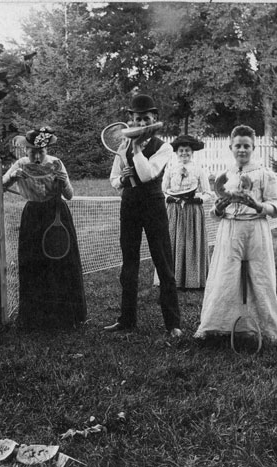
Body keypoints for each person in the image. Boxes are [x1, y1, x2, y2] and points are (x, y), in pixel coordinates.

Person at [193, 125, 277, 344]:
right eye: (238, 146)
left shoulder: (264, 175)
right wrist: (220, 207)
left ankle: (268, 331)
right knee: (225, 275)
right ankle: (216, 326)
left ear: (254, 147)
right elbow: (215, 213)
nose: (242, 150)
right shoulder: (225, 176)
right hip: (230, 230)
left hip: (255, 229)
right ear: (230, 147)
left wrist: (258, 205)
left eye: (246, 146)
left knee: (260, 277)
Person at [105, 94, 183, 337]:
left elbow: (149, 174)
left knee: (163, 262)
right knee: (129, 264)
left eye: (146, 119)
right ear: (131, 120)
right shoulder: (122, 146)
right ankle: (126, 320)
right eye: (137, 119)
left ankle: (173, 325)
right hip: (129, 206)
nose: (141, 123)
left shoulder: (164, 147)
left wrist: (137, 151)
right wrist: (122, 178)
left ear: (154, 119)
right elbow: (114, 179)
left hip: (153, 205)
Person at [2, 127, 86, 329]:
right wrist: (13, 177)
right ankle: (35, 317)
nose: (37, 156)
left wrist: (63, 181)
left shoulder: (56, 163)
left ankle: (65, 316)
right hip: (33, 215)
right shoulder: (21, 164)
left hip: (56, 213)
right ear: (26, 151)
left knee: (60, 262)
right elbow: (1, 185)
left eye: (41, 151)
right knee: (33, 264)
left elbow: (70, 195)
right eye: (33, 152)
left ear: (47, 149)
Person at [161, 135, 212, 289]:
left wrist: (198, 200)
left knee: (191, 241)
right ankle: (173, 278)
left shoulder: (198, 170)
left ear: (192, 152)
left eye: (187, 150)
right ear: (176, 152)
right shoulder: (170, 170)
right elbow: (162, 191)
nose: (184, 153)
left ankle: (193, 280)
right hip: (174, 210)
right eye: (181, 150)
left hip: (192, 211)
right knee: (173, 241)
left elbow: (208, 193)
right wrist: (170, 198)